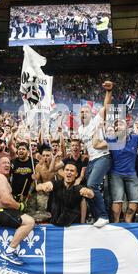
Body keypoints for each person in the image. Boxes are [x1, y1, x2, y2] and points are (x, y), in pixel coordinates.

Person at [0, 157, 35, 265]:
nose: (7, 164)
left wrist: (15, 202)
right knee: (29, 221)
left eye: (8, 163)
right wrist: (20, 206)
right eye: (3, 163)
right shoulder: (0, 177)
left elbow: (5, 200)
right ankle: (9, 252)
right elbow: (6, 201)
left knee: (24, 217)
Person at [78, 81, 113, 227]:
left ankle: (103, 216)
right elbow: (87, 146)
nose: (83, 113)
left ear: (91, 113)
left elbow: (106, 107)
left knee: (92, 185)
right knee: (87, 190)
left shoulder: (96, 120)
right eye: (81, 112)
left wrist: (109, 92)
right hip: (92, 160)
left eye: (86, 111)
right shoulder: (80, 129)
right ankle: (96, 216)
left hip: (103, 157)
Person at [36, 162, 94, 227]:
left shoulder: (78, 188)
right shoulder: (56, 184)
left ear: (76, 174)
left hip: (72, 225)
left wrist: (88, 192)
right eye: (67, 170)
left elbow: (91, 194)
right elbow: (38, 187)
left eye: (72, 171)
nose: (69, 172)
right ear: (63, 172)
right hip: (54, 224)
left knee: (83, 199)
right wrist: (43, 186)